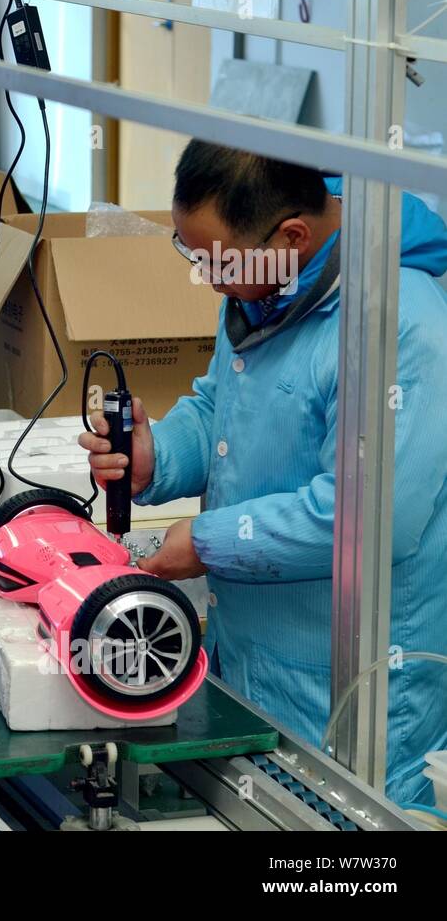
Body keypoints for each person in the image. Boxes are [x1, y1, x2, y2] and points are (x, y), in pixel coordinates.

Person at [79, 141, 447, 806]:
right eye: (189, 254)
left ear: (293, 235)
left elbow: (367, 519)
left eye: (213, 260)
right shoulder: (269, 285)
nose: (205, 278)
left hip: (346, 679)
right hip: (245, 649)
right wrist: (157, 456)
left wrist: (206, 542)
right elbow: (222, 405)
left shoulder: (396, 328)